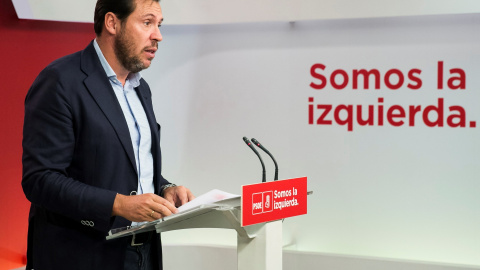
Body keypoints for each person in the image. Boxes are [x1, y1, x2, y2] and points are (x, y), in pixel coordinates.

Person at [21, 0, 194, 269]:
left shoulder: (141, 88)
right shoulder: (60, 81)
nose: (158, 35)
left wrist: (164, 188)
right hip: (84, 255)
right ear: (112, 23)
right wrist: (117, 204)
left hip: (145, 253)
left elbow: (126, 164)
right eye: (147, 23)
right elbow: (40, 180)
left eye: (158, 25)